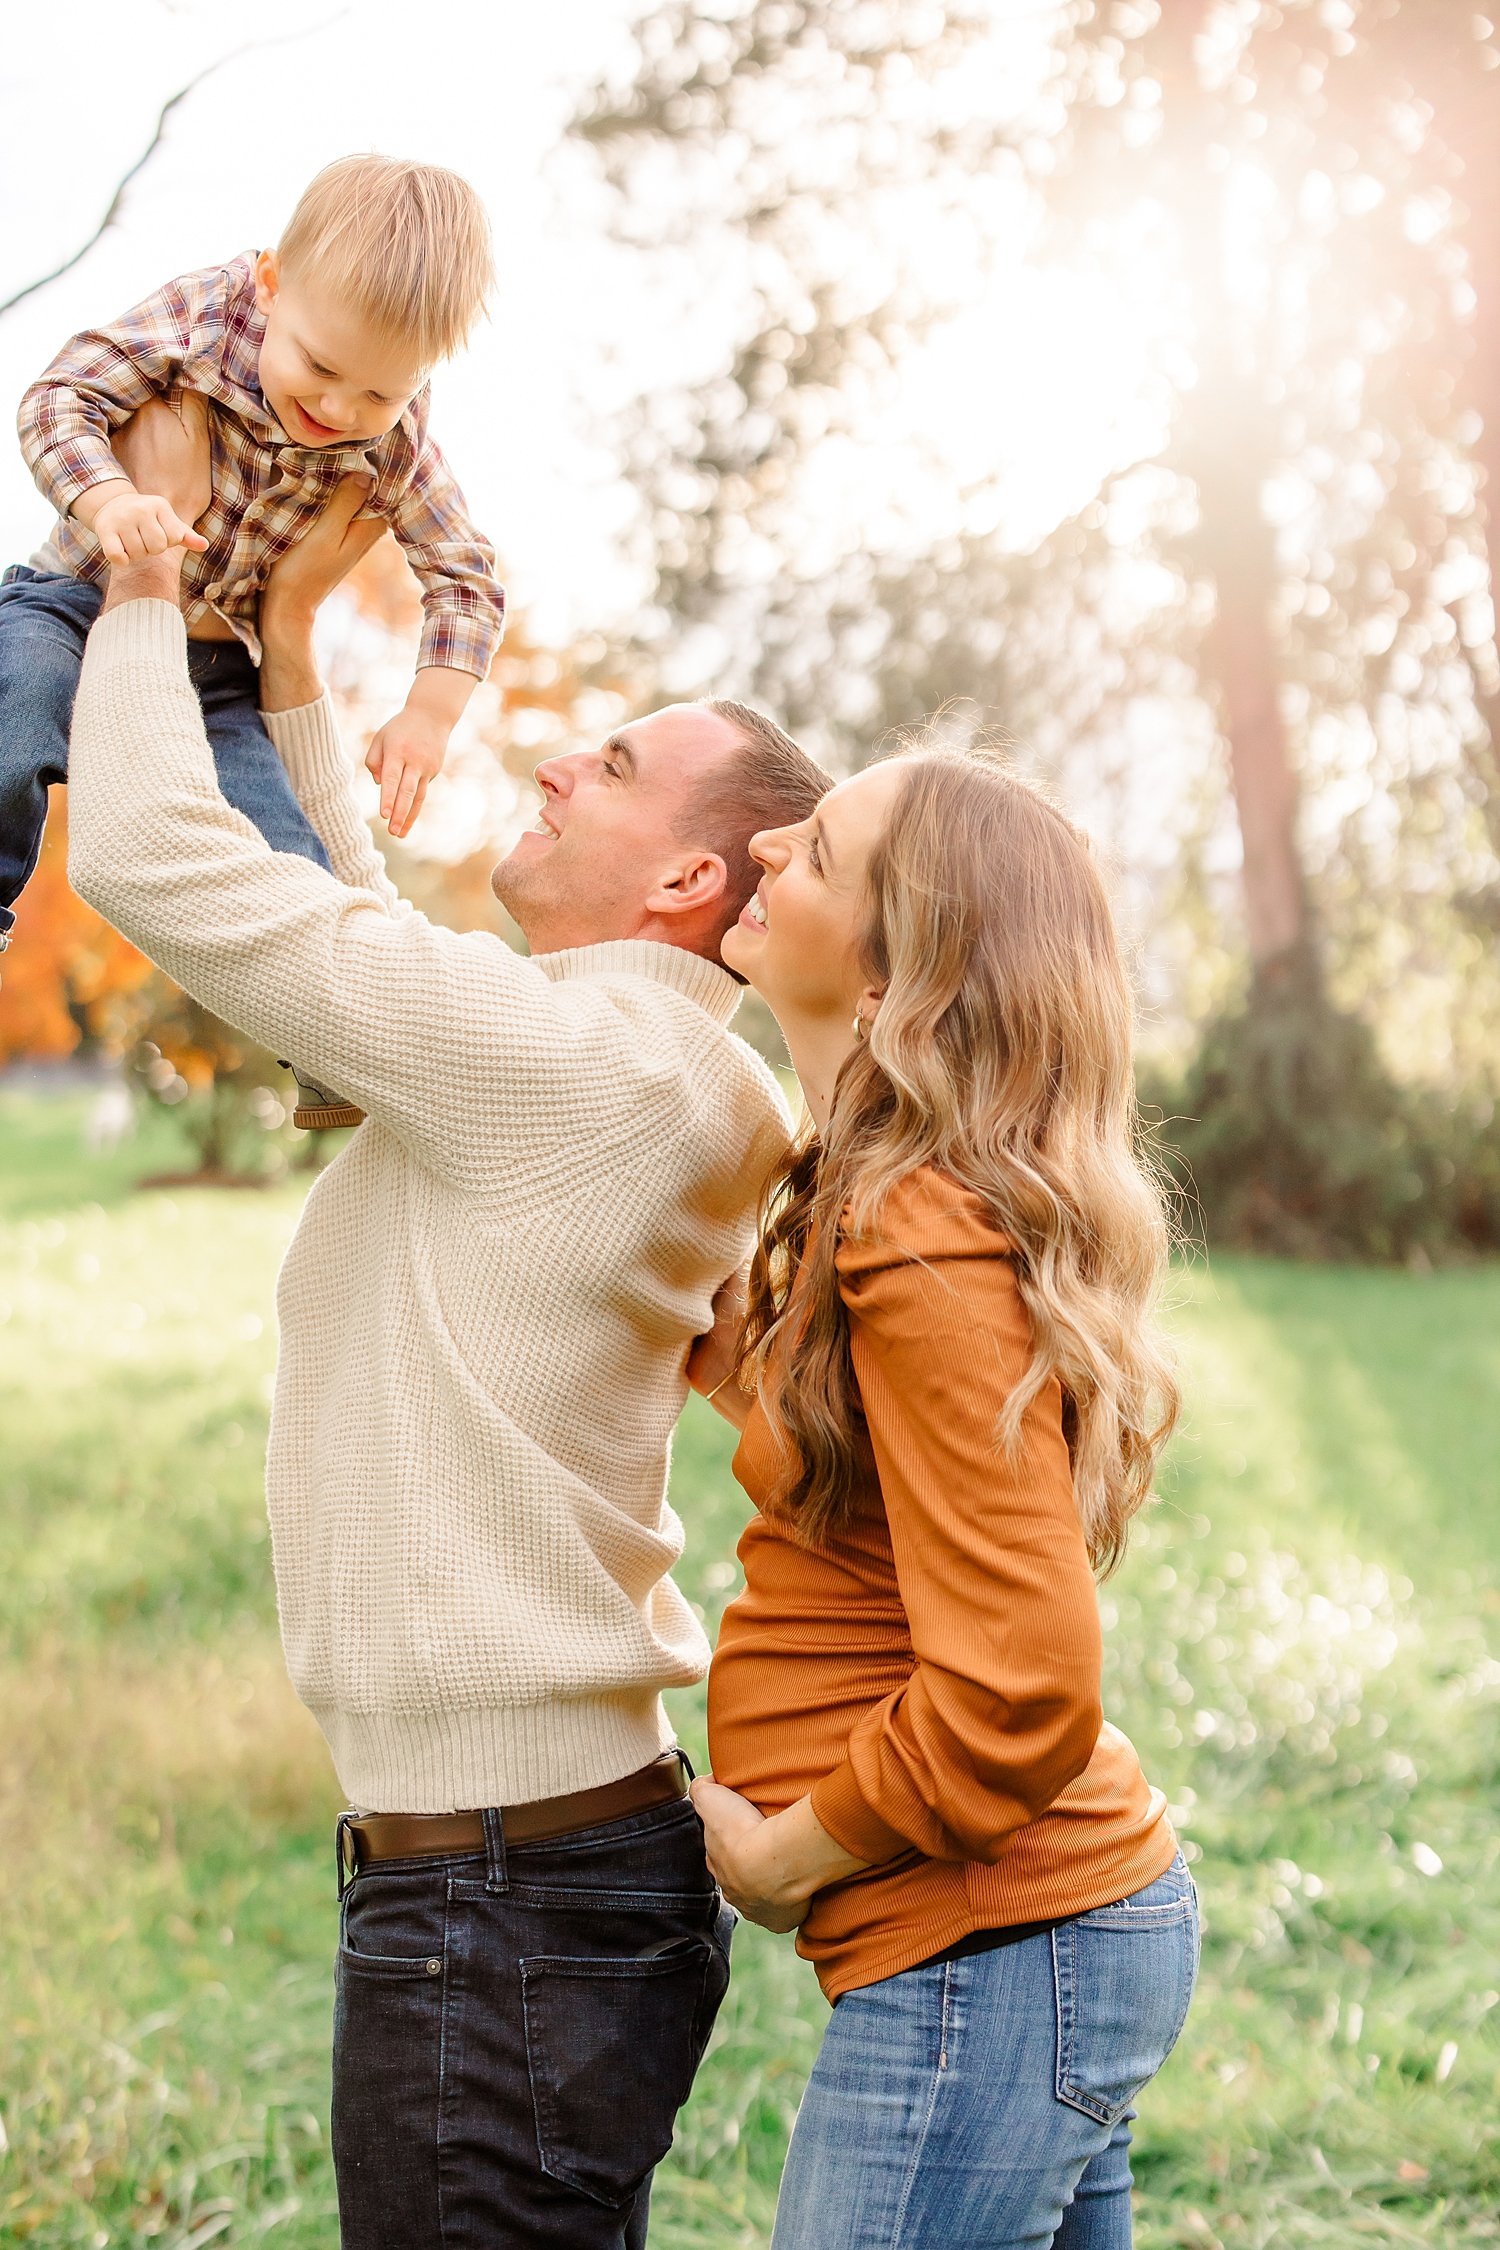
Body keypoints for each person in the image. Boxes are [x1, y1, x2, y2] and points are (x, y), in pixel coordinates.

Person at [63, 397, 830, 2249]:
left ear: (687, 882)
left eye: (616, 762)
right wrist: (311, 663)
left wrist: (146, 574)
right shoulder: (621, 1065)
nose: (554, 763)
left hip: (507, 1907)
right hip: (526, 1886)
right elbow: (367, 951)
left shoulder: (578, 1075)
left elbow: (158, 863)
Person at [684, 749, 1199, 2247]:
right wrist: (739, 1375)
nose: (770, 841)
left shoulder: (915, 1228)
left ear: (895, 982)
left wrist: (791, 1853)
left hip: (1003, 1942)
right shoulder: (893, 1200)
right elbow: (890, 1499)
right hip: (1040, 1940)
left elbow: (1025, 1681)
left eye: (822, 850)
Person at [4, 153, 505, 1124]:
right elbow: (58, 398)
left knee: (284, 845)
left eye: (379, 394)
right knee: (15, 703)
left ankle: (334, 1047)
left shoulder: (394, 442)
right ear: (272, 283)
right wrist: (108, 495)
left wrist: (428, 713)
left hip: (217, 661)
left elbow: (466, 577)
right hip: (74, 598)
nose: (339, 411)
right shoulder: (199, 320)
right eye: (319, 366)